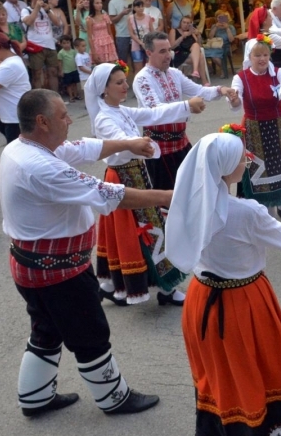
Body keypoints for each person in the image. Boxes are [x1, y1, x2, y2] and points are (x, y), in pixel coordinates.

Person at [163, 133, 281, 436]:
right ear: (226, 167)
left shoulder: (187, 203)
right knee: (251, 365)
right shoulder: (247, 212)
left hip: (201, 302)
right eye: (242, 158)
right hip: (243, 300)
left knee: (218, 371)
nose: (247, 162)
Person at [0, 88, 167, 417]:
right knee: (89, 333)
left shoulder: (24, 148)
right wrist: (170, 197)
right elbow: (108, 194)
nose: (70, 119)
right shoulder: (40, 166)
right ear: (42, 121)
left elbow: (83, 147)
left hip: (36, 266)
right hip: (56, 272)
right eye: (63, 114)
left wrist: (128, 144)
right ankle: (114, 399)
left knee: (46, 330)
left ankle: (34, 399)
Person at [85, 61, 205, 306]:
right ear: (103, 89)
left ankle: (110, 285)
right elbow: (120, 139)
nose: (124, 86)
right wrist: (136, 144)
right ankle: (167, 288)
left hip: (133, 175)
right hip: (122, 178)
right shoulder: (104, 118)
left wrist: (185, 106)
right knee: (149, 229)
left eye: (123, 81)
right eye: (118, 83)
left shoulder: (121, 110)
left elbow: (152, 114)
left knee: (130, 232)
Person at [133, 31, 240, 191]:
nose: (168, 55)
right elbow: (155, 110)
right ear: (149, 53)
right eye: (162, 51)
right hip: (159, 147)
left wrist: (222, 89)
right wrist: (187, 106)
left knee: (193, 189)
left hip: (181, 141)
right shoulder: (142, 78)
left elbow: (199, 91)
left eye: (168, 50)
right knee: (167, 196)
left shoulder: (175, 73)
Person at [231, 39, 281, 217]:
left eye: (265, 55)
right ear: (250, 56)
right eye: (257, 55)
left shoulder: (278, 72)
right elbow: (236, 97)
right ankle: (264, 207)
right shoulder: (241, 77)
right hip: (254, 128)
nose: (262, 59)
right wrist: (234, 98)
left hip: (277, 125)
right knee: (258, 167)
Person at [23, 0, 60, 91]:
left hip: (50, 45)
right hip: (36, 46)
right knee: (37, 74)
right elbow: (29, 22)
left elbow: (57, 23)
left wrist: (47, 10)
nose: (43, 1)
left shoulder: (47, 9)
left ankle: (54, 96)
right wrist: (36, 8)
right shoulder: (26, 10)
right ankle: (37, 99)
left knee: (53, 72)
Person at [108, 0, 135, 66]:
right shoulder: (112, 2)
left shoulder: (132, 0)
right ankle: (122, 78)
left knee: (136, 60)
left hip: (134, 35)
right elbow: (112, 20)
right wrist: (122, 13)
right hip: (122, 35)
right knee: (122, 62)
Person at [56, 35, 81, 102]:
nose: (66, 45)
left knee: (75, 83)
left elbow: (76, 60)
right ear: (61, 44)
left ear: (70, 43)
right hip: (67, 71)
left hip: (74, 70)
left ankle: (76, 95)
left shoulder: (73, 51)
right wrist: (61, 71)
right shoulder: (61, 53)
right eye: (64, 43)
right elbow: (59, 63)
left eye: (68, 43)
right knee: (69, 85)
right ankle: (71, 96)